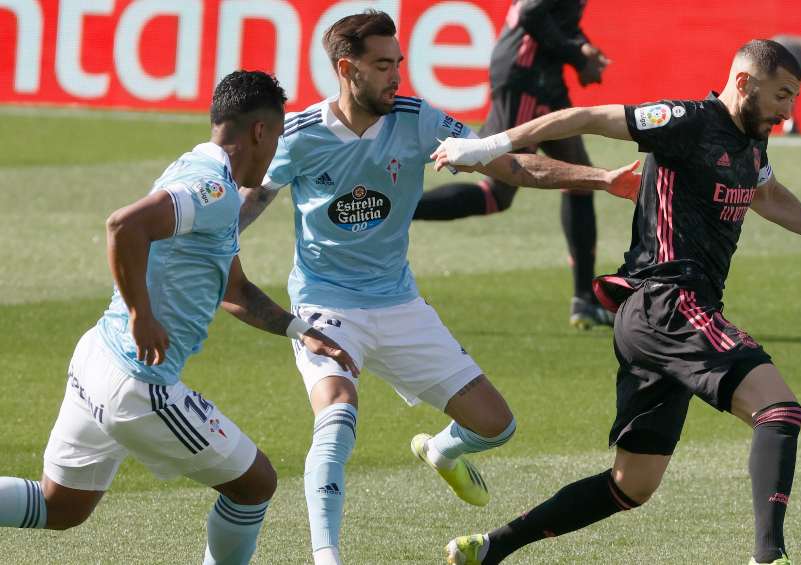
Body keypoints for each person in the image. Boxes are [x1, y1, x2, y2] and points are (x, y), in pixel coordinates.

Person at [433, 39, 801, 565]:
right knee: (779, 411)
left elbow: (768, 195)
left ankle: (491, 547)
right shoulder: (687, 121)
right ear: (744, 83)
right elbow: (586, 116)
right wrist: (486, 146)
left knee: (631, 484)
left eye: (793, 98)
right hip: (668, 302)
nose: (788, 111)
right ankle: (769, 558)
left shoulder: (752, 140)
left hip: (658, 318)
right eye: (782, 95)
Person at [237, 10, 637, 565]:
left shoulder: (419, 120)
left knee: (497, 426)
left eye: (398, 63)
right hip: (325, 305)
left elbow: (510, 166)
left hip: (398, 302)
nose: (396, 76)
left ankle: (442, 450)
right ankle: (326, 556)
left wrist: (602, 178)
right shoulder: (301, 135)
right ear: (347, 68)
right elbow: (247, 204)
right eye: (383, 65)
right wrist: (194, 250)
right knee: (336, 416)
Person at [0, 70, 357, 565]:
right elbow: (124, 225)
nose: (276, 151)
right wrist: (141, 314)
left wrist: (300, 331)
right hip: (138, 384)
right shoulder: (213, 189)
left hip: (96, 359)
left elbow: (234, 289)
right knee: (255, 485)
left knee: (60, 506)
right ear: (259, 132)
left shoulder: (199, 168)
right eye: (277, 137)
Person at [412, 0, 613, 330]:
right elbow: (531, 12)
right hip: (526, 76)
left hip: (543, 75)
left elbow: (555, 15)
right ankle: (400, 208)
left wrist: (581, 48)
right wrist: (578, 56)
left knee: (581, 179)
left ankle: (585, 300)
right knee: (497, 192)